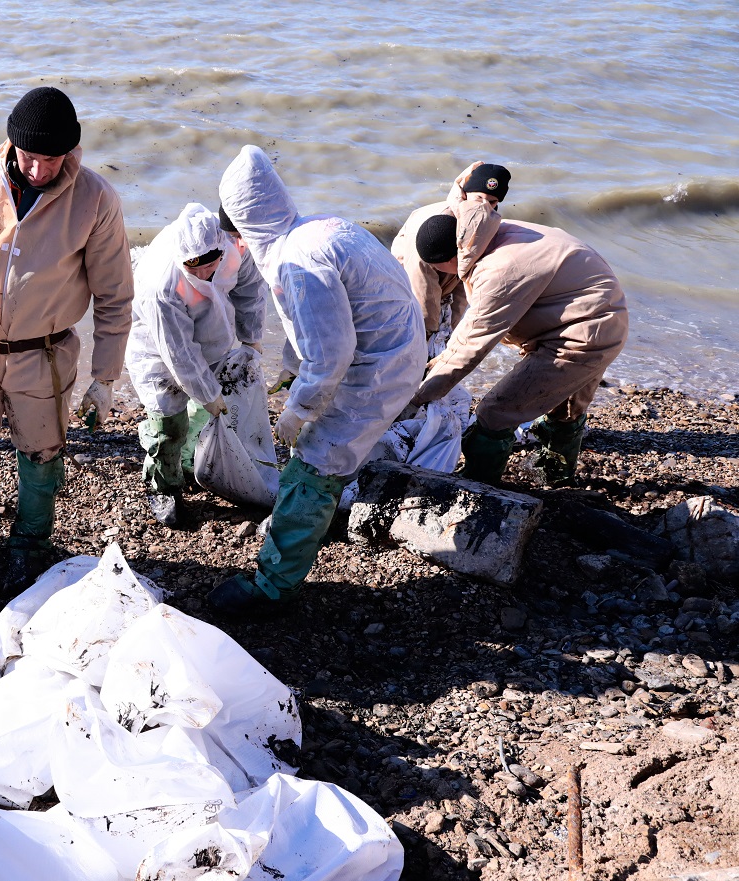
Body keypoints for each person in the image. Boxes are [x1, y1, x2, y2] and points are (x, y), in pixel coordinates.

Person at [0, 86, 134, 595]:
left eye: (51, 160)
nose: (38, 171)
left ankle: (31, 542)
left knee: (41, 452)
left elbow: (115, 296)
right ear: (12, 146)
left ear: (71, 153)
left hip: (46, 352)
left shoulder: (96, 199)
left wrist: (105, 379)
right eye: (30, 158)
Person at [207, 145, 426, 614]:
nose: (239, 247)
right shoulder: (318, 228)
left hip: (378, 368)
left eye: (238, 237)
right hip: (397, 346)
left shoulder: (295, 263)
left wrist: (300, 408)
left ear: (246, 227)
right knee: (325, 453)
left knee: (313, 463)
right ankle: (316, 523)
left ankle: (273, 587)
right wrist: (291, 365)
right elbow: (316, 320)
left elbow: (332, 352)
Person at [410, 210, 628, 485]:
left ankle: (478, 485)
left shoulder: (499, 271)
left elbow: (470, 347)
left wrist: (416, 399)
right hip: (603, 316)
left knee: (495, 412)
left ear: (451, 259)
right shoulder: (485, 233)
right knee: (565, 405)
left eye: (440, 271)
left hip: (581, 338)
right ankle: (556, 474)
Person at [125, 202, 267, 526]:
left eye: (210, 262)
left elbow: (250, 289)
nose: (203, 271)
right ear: (182, 259)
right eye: (194, 265)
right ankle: (163, 486)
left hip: (210, 337)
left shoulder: (232, 249)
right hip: (157, 349)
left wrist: (251, 336)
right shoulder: (162, 286)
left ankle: (191, 464)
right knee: (169, 424)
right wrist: (207, 391)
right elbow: (179, 353)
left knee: (204, 413)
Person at [390, 162, 512, 340]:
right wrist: (427, 331)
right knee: (414, 335)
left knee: (444, 337)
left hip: (445, 283)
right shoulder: (435, 228)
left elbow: (465, 277)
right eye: (479, 198)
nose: (485, 206)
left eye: (492, 201)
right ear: (465, 193)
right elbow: (420, 281)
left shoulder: (483, 225)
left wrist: (452, 326)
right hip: (404, 284)